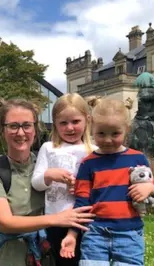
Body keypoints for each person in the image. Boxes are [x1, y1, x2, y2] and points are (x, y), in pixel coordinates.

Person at [0, 98, 95, 266]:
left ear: (35, 129)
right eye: (13, 126)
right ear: (2, 131)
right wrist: (57, 219)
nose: (20, 133)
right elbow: (5, 223)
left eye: (26, 125)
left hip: (46, 253)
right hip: (9, 257)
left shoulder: (47, 163)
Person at [60, 97, 154, 266]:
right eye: (101, 134)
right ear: (92, 129)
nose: (107, 140)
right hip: (96, 233)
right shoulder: (88, 163)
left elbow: (153, 186)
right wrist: (72, 234)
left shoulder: (137, 158)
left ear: (126, 130)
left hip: (130, 232)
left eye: (115, 134)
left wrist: (149, 188)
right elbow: (82, 203)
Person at [31, 93, 98, 266]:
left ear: (87, 120)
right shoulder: (49, 148)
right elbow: (36, 183)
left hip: (86, 222)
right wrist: (48, 175)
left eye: (75, 122)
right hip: (55, 220)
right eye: (63, 123)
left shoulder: (94, 150)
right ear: (55, 124)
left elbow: (103, 185)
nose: (69, 128)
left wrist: (83, 188)